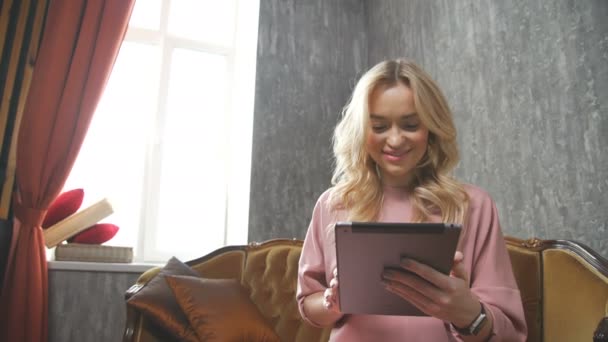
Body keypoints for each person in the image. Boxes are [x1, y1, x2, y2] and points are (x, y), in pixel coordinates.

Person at [296, 59, 527, 341]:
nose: (394, 140)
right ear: (360, 130)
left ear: (431, 128)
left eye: (410, 125)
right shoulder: (332, 204)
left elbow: (510, 334)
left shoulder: (474, 206)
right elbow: (309, 302)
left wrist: (467, 313)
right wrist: (334, 302)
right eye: (379, 127)